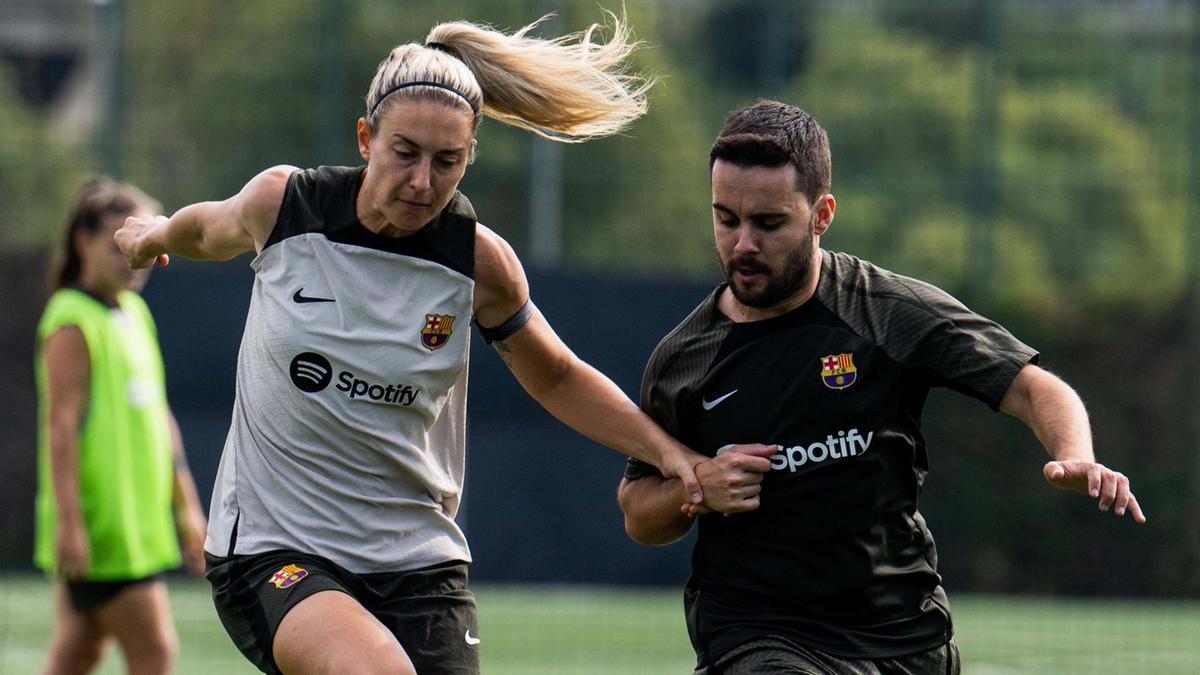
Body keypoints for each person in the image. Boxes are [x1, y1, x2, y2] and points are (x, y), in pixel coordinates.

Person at [113, 12, 706, 675]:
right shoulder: (287, 207)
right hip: (274, 549)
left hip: (417, 563)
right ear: (366, 138)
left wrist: (666, 451)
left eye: (447, 161)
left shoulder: (479, 264)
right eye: (406, 153)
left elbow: (559, 376)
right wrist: (155, 233)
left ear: (470, 155)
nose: (423, 182)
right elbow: (206, 230)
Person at [616, 100, 1147, 675]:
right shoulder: (685, 359)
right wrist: (696, 487)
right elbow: (639, 514)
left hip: (902, 639)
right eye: (726, 219)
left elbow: (1032, 387)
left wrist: (1075, 457)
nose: (743, 243)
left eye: (768, 224)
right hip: (758, 633)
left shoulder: (885, 311)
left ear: (822, 215)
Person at [35, 179, 208, 675]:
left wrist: (186, 505)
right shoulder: (71, 317)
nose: (136, 255)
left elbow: (159, 415)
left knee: (79, 649)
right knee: (155, 651)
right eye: (118, 241)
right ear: (83, 241)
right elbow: (61, 427)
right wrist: (70, 523)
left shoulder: (135, 313)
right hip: (102, 526)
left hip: (138, 522)